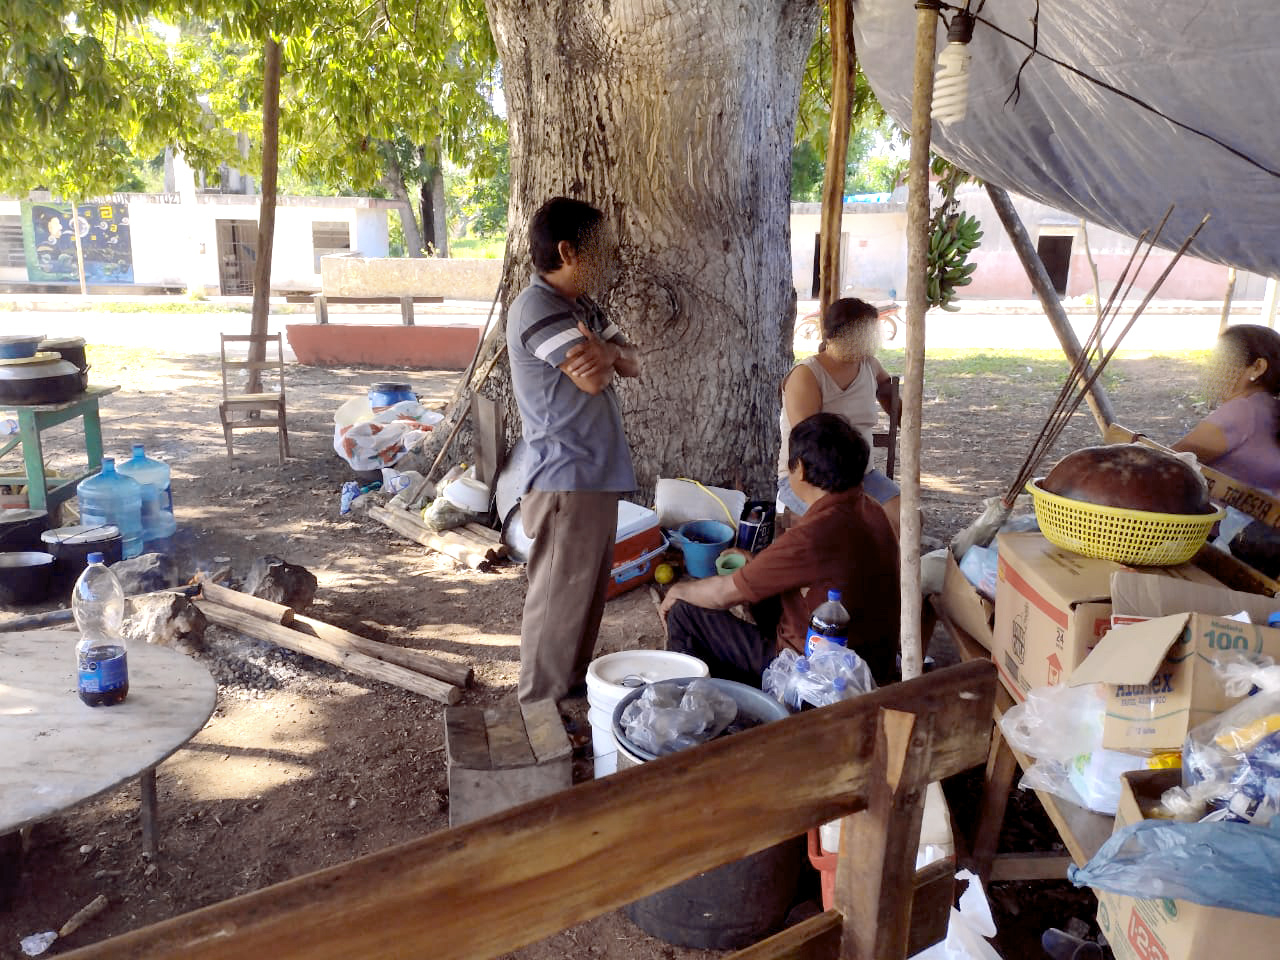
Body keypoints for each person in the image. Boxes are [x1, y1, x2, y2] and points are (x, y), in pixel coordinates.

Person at [507, 197, 642, 704]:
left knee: (582, 604)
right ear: (568, 251)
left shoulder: (580, 306)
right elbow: (595, 382)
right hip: (567, 478)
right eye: (601, 249)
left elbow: (633, 363)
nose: (611, 257)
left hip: (593, 477)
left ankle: (562, 707)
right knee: (557, 608)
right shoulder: (538, 307)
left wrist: (607, 351)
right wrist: (610, 358)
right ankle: (535, 715)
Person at [659, 412, 900, 687]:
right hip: (869, 665)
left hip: (816, 681)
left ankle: (688, 705)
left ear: (801, 470)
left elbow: (723, 594)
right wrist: (757, 565)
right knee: (760, 593)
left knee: (684, 611)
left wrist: (679, 590)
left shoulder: (815, 534)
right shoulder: (870, 508)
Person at [777, 297, 901, 537]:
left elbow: (887, 390)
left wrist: (903, 413)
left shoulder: (869, 366)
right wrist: (848, 497)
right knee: (850, 528)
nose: (875, 340)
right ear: (844, 334)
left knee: (905, 519)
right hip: (813, 480)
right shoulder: (807, 375)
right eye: (870, 333)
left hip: (863, 475)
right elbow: (809, 445)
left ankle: (886, 571)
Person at [1173, 324, 1280, 493]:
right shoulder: (1268, 407)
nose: (1212, 367)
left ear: (1258, 367)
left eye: (1224, 359)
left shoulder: (1241, 411)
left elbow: (1166, 462)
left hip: (1228, 518)